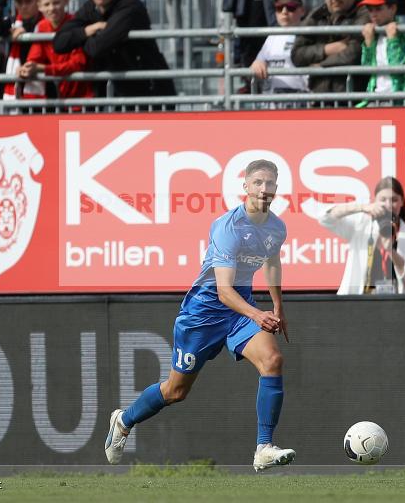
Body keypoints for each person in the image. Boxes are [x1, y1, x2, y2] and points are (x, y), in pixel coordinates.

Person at [104, 159, 295, 473]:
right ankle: (123, 421)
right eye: (258, 182)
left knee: (272, 360)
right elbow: (223, 291)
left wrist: (278, 307)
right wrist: (258, 315)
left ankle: (264, 447)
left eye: (270, 183)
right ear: (245, 186)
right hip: (203, 315)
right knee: (176, 391)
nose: (264, 189)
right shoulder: (229, 227)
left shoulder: (277, 227)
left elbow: (272, 262)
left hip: (239, 314)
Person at [53, 0, 176, 99]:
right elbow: (59, 43)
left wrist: (80, 40)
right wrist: (88, 30)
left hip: (150, 93)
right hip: (116, 94)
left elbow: (97, 48)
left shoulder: (130, 7)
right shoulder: (90, 7)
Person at [319, 176, 405, 295]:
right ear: (375, 201)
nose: (388, 205)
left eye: (394, 200)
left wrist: (391, 251)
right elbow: (325, 219)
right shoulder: (361, 226)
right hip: (360, 303)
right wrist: (362, 207)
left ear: (402, 201)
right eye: (383, 199)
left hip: (397, 306)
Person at [291, 0, 369, 96]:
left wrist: (320, 67)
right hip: (319, 99)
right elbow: (297, 55)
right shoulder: (316, 15)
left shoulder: (365, 13)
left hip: (355, 99)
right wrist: (327, 49)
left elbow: (355, 53)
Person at [18, 0, 93, 104]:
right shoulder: (41, 27)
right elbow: (34, 58)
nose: (52, 8)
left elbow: (77, 64)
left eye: (56, 3)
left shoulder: (76, 24)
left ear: (66, 1)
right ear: (39, 6)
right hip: (60, 98)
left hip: (84, 98)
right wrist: (26, 67)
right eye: (47, 4)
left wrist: (43, 69)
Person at [357, 0, 405, 107]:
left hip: (402, 101)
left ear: (393, 8)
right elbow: (366, 68)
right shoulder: (372, 35)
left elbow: (398, 67)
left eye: (378, 8)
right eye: (370, 10)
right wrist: (368, 43)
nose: (373, 14)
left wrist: (393, 40)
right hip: (374, 99)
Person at [249, 0, 308, 105]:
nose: (284, 11)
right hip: (272, 106)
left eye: (291, 6)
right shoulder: (272, 37)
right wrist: (257, 64)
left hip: (301, 107)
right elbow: (257, 65)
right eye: (279, 7)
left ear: (302, 10)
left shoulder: (309, 35)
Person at [0, 0, 41, 101]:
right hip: (15, 88)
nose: (23, 6)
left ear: (38, 1)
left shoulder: (44, 22)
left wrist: (27, 32)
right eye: (18, 1)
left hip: (38, 88)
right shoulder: (13, 22)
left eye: (28, 1)